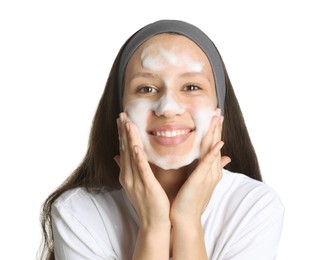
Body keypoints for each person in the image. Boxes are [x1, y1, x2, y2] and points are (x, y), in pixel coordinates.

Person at [39, 19, 284, 260]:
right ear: (119, 111)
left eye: (190, 87)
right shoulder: (78, 212)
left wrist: (187, 221)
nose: (168, 108)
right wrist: (153, 225)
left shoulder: (254, 207)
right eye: (146, 88)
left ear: (218, 109)